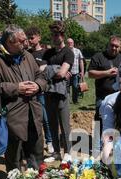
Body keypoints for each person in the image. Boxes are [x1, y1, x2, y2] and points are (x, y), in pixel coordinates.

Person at [0, 25, 48, 172]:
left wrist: (38, 85)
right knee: (14, 156)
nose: (26, 43)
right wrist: (17, 88)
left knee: (36, 153)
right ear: (9, 43)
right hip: (12, 116)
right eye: (22, 41)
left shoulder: (27, 55)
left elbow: (40, 76)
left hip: (34, 114)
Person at [88, 35, 121, 155]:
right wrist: (106, 73)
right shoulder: (99, 57)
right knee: (100, 120)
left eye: (116, 46)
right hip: (102, 96)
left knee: (118, 121)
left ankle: (114, 147)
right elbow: (90, 73)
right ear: (108, 44)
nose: (114, 48)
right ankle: (97, 148)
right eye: (112, 45)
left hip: (119, 97)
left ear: (120, 47)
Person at [43, 21, 74, 160]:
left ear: (62, 35)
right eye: (53, 35)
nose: (55, 37)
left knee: (64, 124)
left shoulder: (68, 52)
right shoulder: (48, 53)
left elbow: (62, 73)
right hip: (49, 92)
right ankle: (56, 152)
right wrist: (55, 70)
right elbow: (40, 71)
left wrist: (50, 69)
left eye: (57, 35)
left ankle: (67, 152)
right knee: (52, 123)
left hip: (61, 93)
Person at [26, 26, 54, 155]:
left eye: (32, 38)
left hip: (41, 90)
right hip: (29, 89)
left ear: (39, 38)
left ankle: (49, 141)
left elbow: (44, 69)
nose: (30, 41)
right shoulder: (27, 54)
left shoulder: (44, 53)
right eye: (28, 38)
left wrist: (38, 70)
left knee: (45, 117)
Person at [66, 38, 84, 104]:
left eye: (71, 42)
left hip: (75, 72)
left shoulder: (78, 51)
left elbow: (81, 61)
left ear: (73, 43)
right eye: (69, 43)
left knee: (75, 87)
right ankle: (67, 101)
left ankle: (75, 101)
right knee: (66, 87)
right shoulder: (64, 51)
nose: (70, 44)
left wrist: (82, 71)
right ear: (66, 43)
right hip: (66, 73)